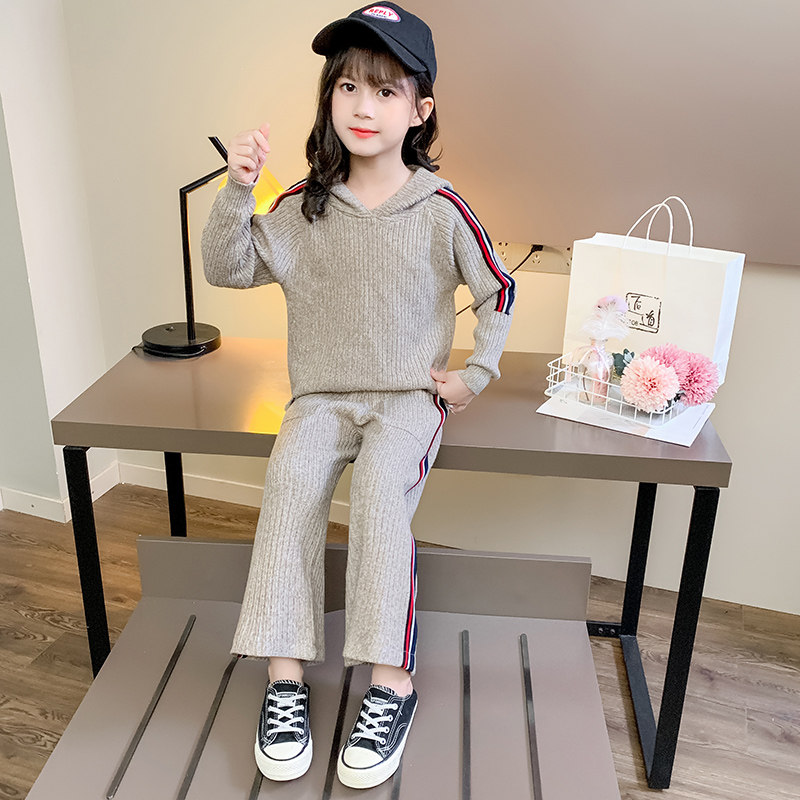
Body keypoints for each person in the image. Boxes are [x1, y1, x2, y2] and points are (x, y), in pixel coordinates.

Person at [200, 2, 515, 789]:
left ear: (420, 109)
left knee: (378, 491)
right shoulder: (304, 204)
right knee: (290, 482)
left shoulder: (441, 208)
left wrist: (474, 374)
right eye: (346, 87)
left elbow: (499, 288)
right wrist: (238, 189)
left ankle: (391, 686)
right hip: (320, 399)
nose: (362, 106)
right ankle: (284, 680)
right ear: (328, 99)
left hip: (407, 399)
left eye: (384, 89)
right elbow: (227, 268)